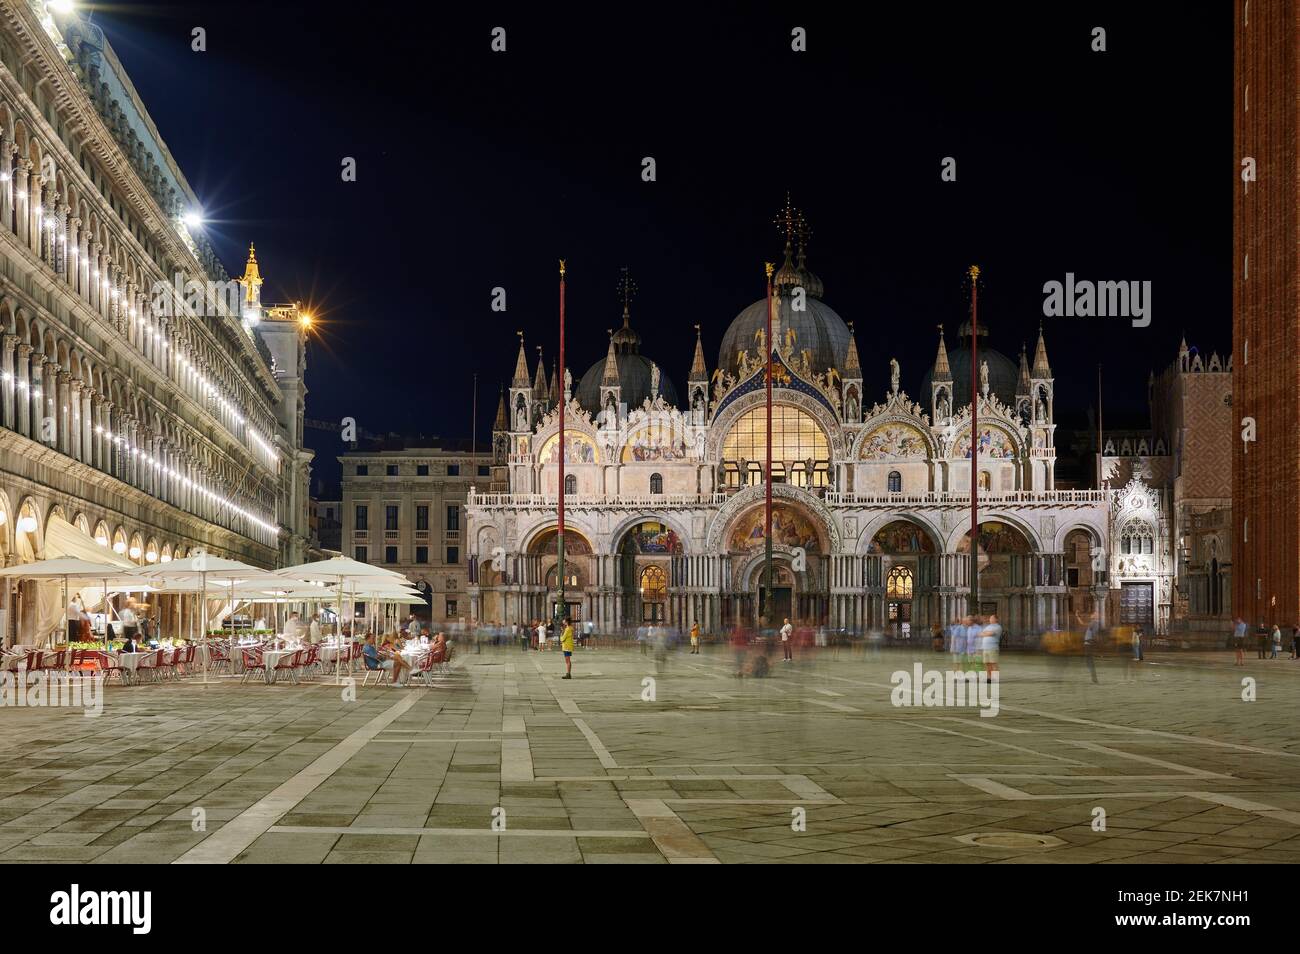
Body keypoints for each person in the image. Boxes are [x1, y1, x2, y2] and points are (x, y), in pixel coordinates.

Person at [981, 612, 1002, 677]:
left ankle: (995, 678)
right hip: (985, 648)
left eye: (992, 618)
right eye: (990, 618)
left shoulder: (998, 627)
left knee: (993, 663)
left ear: (996, 619)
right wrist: (987, 633)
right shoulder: (988, 626)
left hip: (992, 648)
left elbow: (991, 633)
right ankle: (990, 677)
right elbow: (981, 634)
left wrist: (986, 633)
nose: (990, 619)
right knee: (987, 664)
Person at [1083, 611, 1100, 684]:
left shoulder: (1095, 623)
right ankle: (1094, 678)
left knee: (1090, 662)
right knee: (1088, 662)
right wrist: (1077, 616)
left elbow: (1094, 634)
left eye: (1094, 614)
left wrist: (1092, 642)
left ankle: (1094, 678)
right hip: (1087, 644)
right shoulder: (1092, 623)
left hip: (1089, 644)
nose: (1091, 614)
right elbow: (1083, 624)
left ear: (1096, 616)